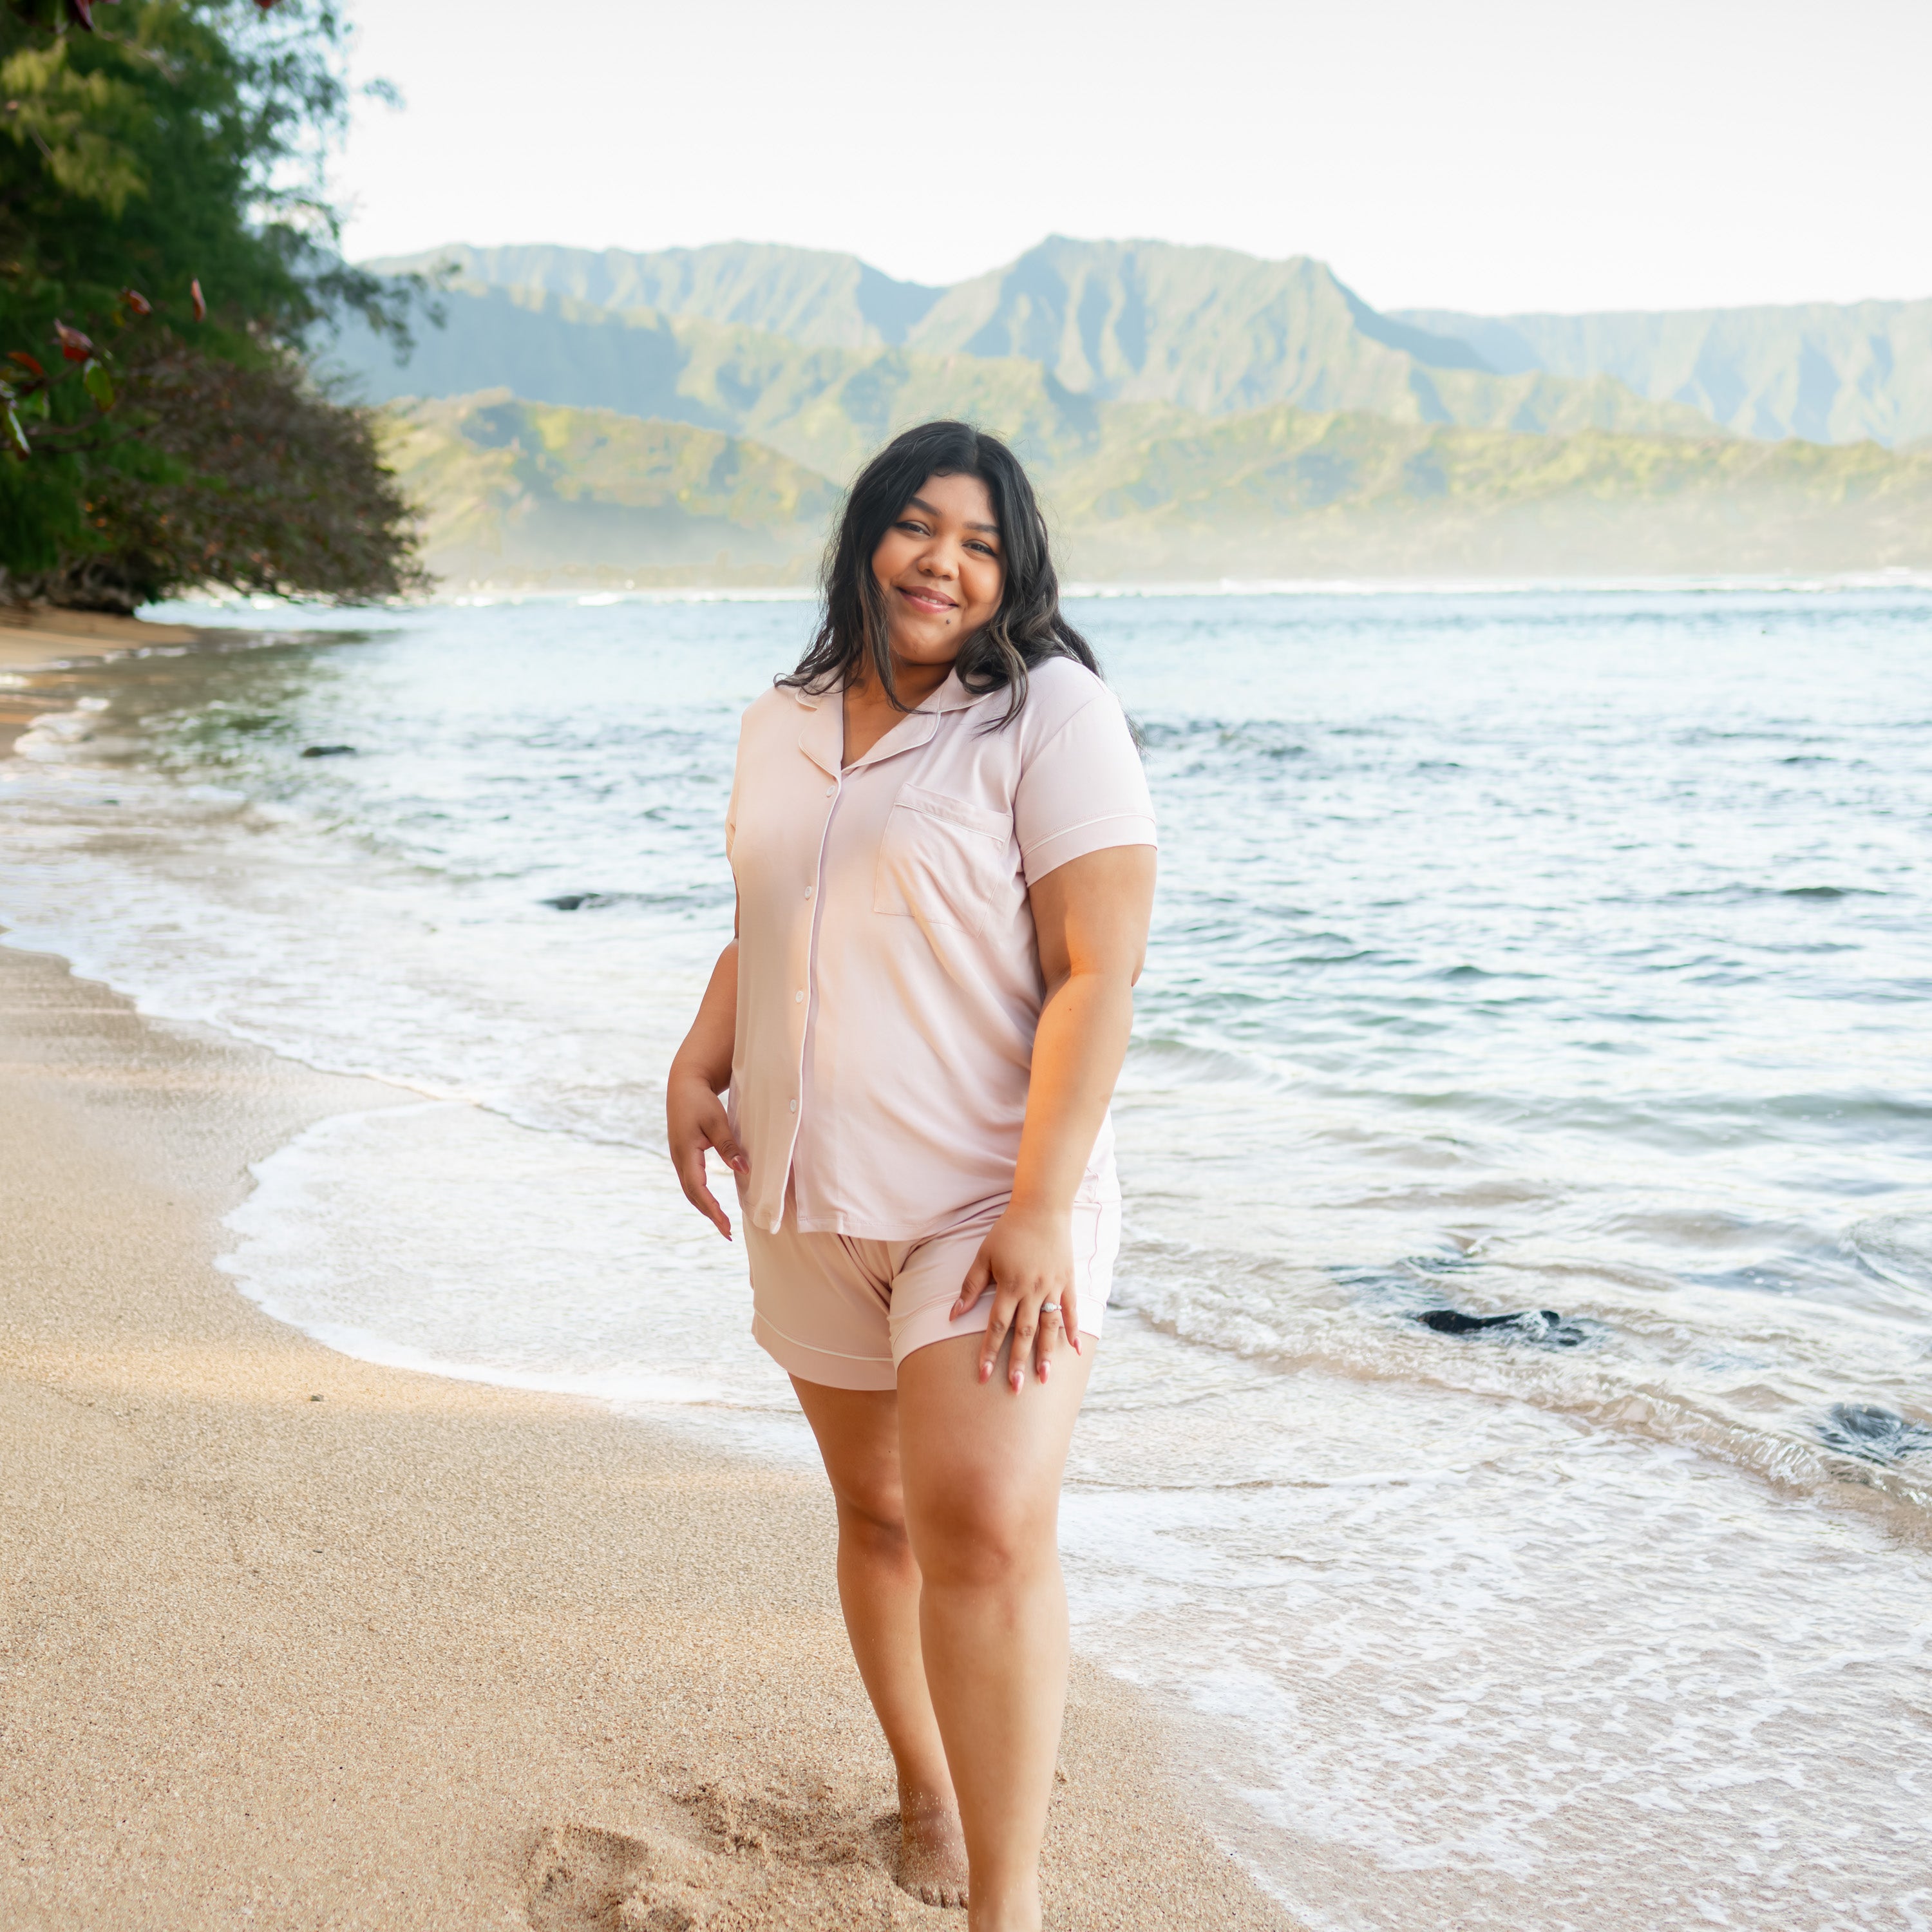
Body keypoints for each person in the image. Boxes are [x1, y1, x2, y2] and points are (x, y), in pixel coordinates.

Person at [666, 419, 1157, 1931]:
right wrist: (695, 1061)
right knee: (877, 1516)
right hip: (808, 1190)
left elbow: (1098, 975)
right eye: (919, 527)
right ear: (867, 535)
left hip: (987, 1200)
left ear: (1015, 572)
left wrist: (1040, 1212)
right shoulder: (782, 718)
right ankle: (925, 1788)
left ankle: (1008, 1904)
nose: (945, 563)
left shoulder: (1051, 713)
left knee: (985, 1528)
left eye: (983, 543)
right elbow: (777, 912)